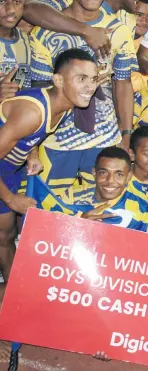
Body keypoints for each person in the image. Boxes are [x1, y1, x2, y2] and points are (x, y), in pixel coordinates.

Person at [29, 0, 140, 193]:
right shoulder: (45, 31)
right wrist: (32, 147)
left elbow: (123, 84)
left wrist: (126, 134)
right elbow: (37, 91)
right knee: (49, 211)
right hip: (55, 140)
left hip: (104, 138)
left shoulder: (118, 30)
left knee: (98, 212)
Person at [0, 48, 97, 281]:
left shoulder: (63, 104)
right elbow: (28, 124)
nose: (90, 87)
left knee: (6, 235)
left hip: (8, 170)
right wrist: (11, 198)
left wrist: (31, 154)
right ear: (58, 80)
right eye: (81, 79)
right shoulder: (33, 112)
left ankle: (13, 294)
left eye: (93, 79)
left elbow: (30, 136)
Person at [59, 146, 148, 232]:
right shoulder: (72, 197)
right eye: (103, 173)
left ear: (128, 177)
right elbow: (51, 233)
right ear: (94, 173)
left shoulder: (140, 205)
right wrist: (78, 224)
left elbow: (146, 245)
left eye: (119, 174)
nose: (110, 181)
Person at [0, 0, 32, 96]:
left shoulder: (25, 41)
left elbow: (20, 87)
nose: (11, 9)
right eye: (2, 1)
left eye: (17, 1)